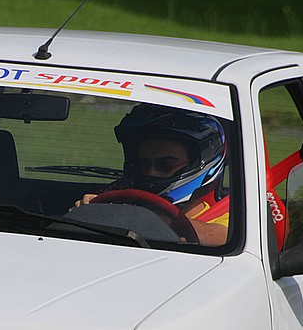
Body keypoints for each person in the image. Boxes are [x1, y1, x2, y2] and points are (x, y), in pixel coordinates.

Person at [75, 104, 229, 246]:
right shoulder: (119, 197)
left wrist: (150, 219)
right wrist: (90, 212)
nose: (150, 173)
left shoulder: (232, 219)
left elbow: (220, 236)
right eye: (143, 164)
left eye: (165, 165)